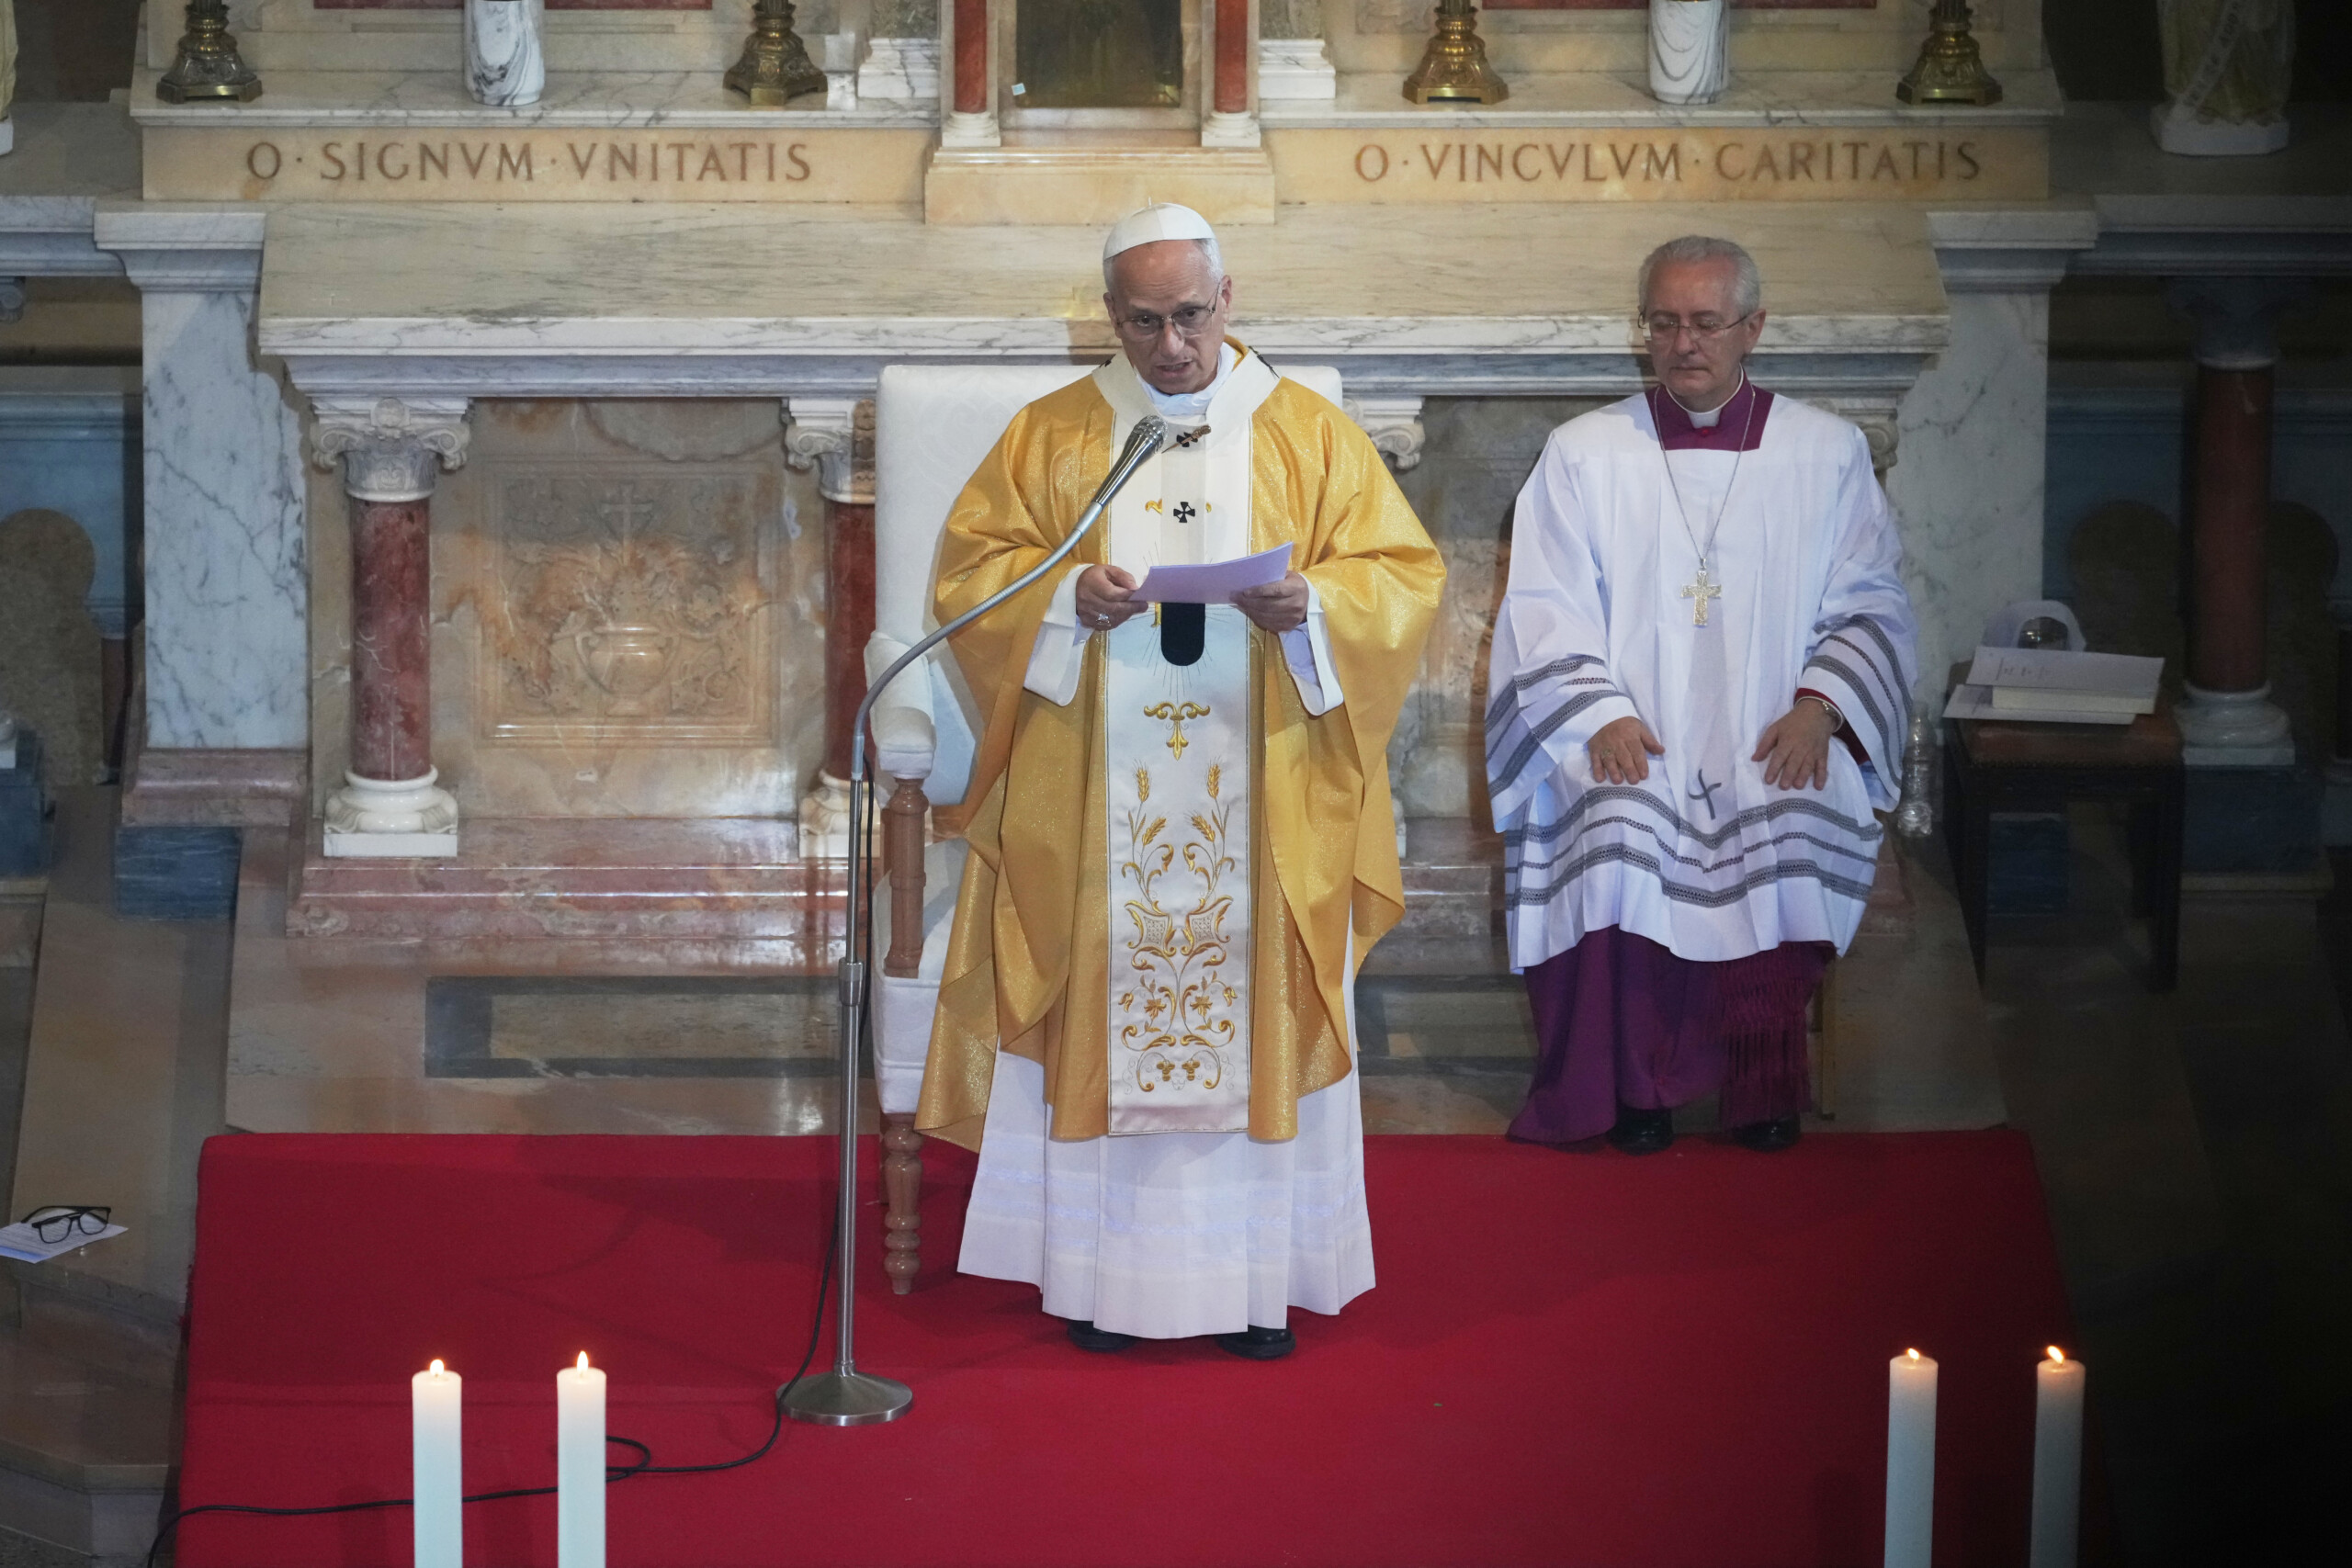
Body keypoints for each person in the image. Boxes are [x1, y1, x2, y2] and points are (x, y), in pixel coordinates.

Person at [914, 204, 1443, 1359]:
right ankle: (1103, 1282)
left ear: (1229, 299)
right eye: (1142, 321)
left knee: (1251, 990)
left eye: (1189, 316)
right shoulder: (1054, 434)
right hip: (1095, 791)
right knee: (1108, 984)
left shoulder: (1306, 432)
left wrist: (1315, 605)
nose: (1169, 346)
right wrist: (1065, 602)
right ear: (1108, 317)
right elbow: (971, 577)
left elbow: (1400, 576)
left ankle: (1256, 1286)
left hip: (1268, 782)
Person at [1485, 234, 1917, 1156]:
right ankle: (1634, 1091)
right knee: (1609, 819)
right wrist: (1597, 714)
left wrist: (1821, 708)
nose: (1684, 344)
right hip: (1632, 732)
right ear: (1643, 330)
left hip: (1775, 729)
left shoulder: (1825, 453)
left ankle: (1763, 1086)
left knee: (1787, 803)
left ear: (1752, 327)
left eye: (1706, 323)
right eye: (1665, 323)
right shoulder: (1584, 453)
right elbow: (1543, 605)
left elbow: (1872, 599)